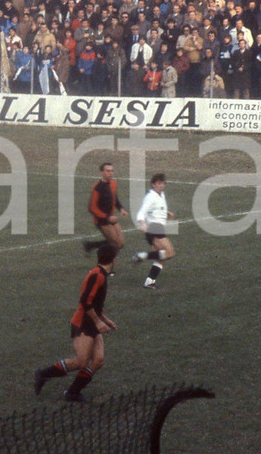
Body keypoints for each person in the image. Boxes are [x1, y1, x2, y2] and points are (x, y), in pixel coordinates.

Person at [33, 243, 118, 402]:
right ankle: (43, 374)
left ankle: (72, 392)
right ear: (113, 260)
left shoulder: (101, 274)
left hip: (92, 322)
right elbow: (85, 302)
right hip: (83, 324)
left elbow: (95, 304)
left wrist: (105, 320)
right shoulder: (97, 275)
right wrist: (98, 323)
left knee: (98, 360)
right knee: (81, 361)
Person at [131, 173, 176, 289]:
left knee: (161, 256)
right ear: (153, 184)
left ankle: (150, 281)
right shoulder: (150, 196)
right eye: (159, 184)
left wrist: (167, 212)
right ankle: (141, 255)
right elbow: (142, 212)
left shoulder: (161, 194)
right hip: (153, 228)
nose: (161, 186)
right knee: (169, 253)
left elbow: (158, 208)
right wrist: (141, 223)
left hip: (158, 227)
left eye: (163, 183)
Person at [82, 162, 129, 256]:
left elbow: (114, 199)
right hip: (102, 221)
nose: (110, 173)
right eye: (108, 171)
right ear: (102, 173)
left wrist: (121, 209)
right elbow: (92, 208)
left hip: (111, 218)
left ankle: (91, 245)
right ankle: (107, 267)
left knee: (121, 244)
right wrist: (107, 218)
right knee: (116, 244)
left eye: (112, 171)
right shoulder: (98, 187)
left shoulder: (113, 184)